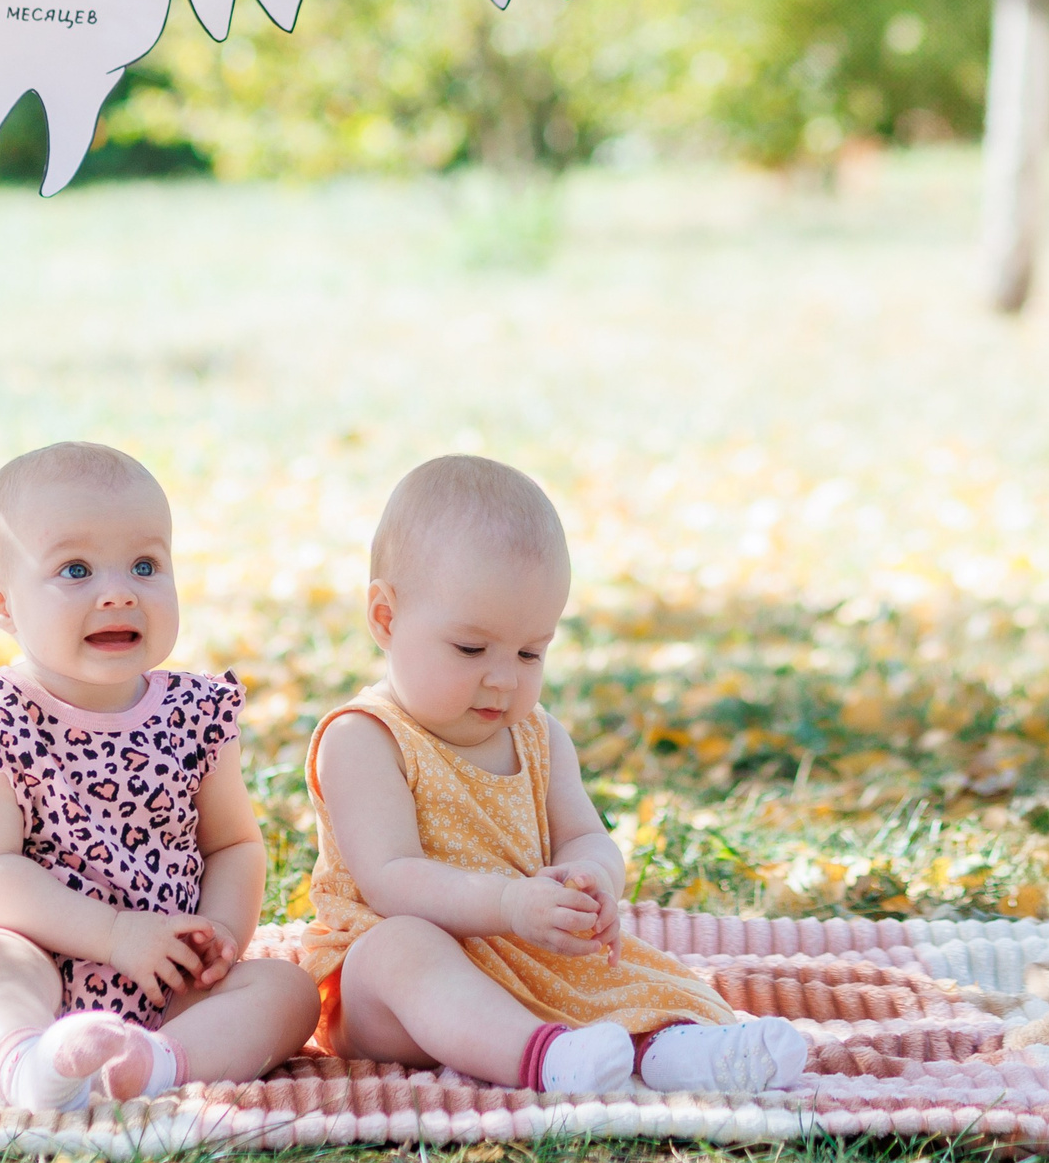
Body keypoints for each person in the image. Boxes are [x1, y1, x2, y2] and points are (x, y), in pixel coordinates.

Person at [303, 454, 812, 1095]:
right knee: (402, 948)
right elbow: (391, 881)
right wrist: (509, 902)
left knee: (629, 976)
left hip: (524, 953)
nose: (503, 677)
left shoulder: (540, 737)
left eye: (529, 651)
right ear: (386, 618)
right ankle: (543, 1059)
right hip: (386, 987)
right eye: (470, 648)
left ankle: (672, 1051)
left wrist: (593, 876)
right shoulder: (365, 737)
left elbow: (584, 835)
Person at [0, 441, 318, 1110]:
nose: (119, 591)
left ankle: (156, 1062)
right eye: (75, 569)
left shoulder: (196, 714)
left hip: (165, 972)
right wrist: (112, 934)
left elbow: (234, 844)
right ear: (2, 602)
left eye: (144, 563)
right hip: (34, 954)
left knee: (291, 991)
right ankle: (28, 1063)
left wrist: (218, 933)